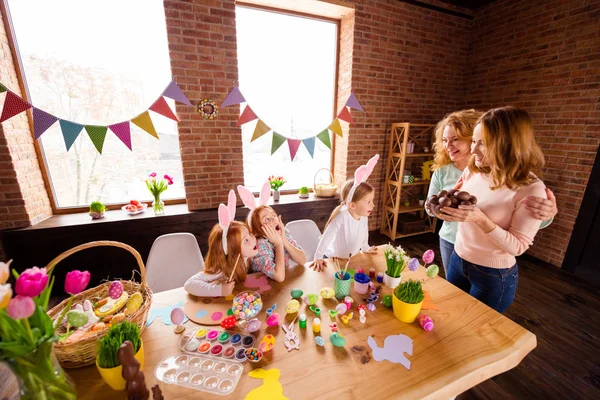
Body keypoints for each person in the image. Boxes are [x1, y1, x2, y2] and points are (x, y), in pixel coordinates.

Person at [439, 106, 550, 313]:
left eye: (483, 143)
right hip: (458, 259)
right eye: (474, 141)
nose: (473, 150)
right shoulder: (474, 169)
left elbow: (518, 247)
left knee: (475, 334)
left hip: (491, 275)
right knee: (451, 317)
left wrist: (480, 219)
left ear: (508, 144)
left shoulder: (532, 189)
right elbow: (462, 206)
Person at [426, 109, 557, 274]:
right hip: (453, 243)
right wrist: (434, 207)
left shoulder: (517, 182)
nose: (447, 145)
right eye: (444, 140)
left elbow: (522, 228)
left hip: (485, 257)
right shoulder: (457, 172)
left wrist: (547, 213)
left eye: (456, 139)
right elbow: (432, 208)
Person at [311, 155, 380, 272]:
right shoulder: (342, 217)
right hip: (333, 259)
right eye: (368, 201)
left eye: (372, 201)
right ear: (352, 205)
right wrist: (317, 257)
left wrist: (366, 248)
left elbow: (363, 235)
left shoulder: (363, 216)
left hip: (350, 259)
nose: (372, 205)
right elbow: (326, 238)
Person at [184, 191, 258, 297]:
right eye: (246, 240)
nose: (253, 238)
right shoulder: (220, 269)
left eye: (250, 233)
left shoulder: (248, 257)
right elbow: (189, 284)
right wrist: (219, 290)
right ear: (231, 249)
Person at [246, 205, 306, 282]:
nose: (274, 219)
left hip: (281, 286)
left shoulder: (283, 233)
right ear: (258, 229)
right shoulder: (259, 245)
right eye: (267, 219)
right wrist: (279, 244)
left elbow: (302, 260)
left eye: (274, 215)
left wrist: (284, 240)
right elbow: (279, 277)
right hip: (263, 287)